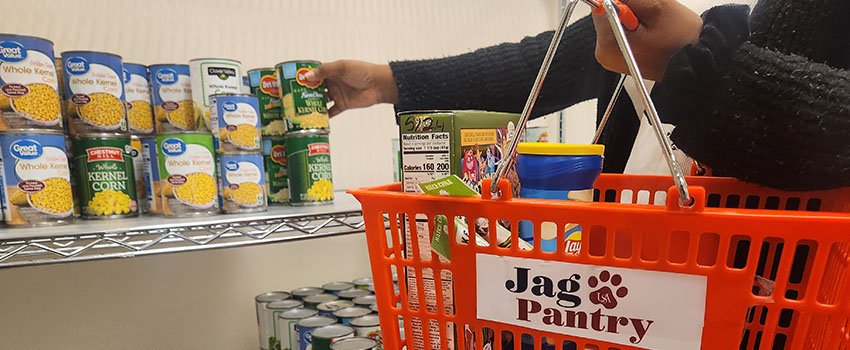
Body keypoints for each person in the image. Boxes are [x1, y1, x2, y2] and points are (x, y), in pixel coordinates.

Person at [304, 0, 850, 191]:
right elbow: (548, 62)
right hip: (632, 275)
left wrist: (698, 61)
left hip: (775, 295)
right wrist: (387, 80)